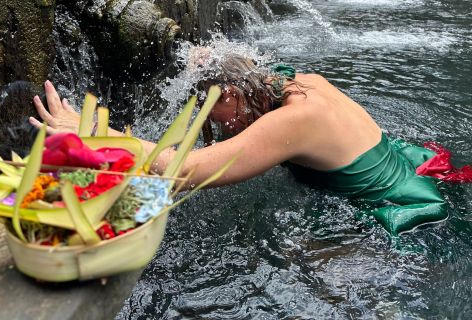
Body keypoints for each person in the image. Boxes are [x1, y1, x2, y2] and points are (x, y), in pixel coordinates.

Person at [30, 56, 448, 236]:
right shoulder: (302, 84)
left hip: (393, 210)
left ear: (230, 92)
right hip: (405, 165)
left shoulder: (292, 122)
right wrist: (211, 60)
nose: (223, 129)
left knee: (305, 260)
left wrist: (94, 132)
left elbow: (185, 169)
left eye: (216, 115)